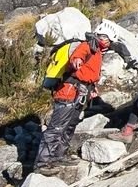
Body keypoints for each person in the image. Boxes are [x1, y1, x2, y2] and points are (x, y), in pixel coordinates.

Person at [34, 30, 111, 174]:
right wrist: (77, 61)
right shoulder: (87, 46)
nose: (108, 43)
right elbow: (77, 57)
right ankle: (42, 163)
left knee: (70, 126)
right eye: (107, 40)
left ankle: (58, 155)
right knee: (57, 127)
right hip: (68, 91)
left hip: (81, 92)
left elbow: (89, 72)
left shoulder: (98, 51)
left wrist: (92, 87)